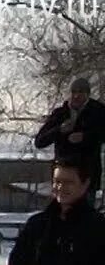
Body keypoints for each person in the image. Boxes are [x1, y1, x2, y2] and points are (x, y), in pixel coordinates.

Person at [34, 77, 105, 205]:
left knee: (85, 218)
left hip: (86, 177)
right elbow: (40, 141)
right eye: (73, 92)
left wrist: (86, 137)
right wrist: (59, 130)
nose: (76, 96)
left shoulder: (98, 112)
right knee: (63, 217)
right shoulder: (60, 114)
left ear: (88, 94)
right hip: (63, 176)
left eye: (81, 92)